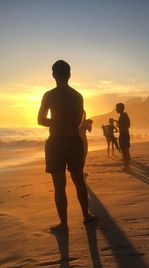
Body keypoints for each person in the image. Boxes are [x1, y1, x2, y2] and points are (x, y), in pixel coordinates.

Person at [37, 60, 95, 231]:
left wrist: (55, 123)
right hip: (73, 141)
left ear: (53, 75)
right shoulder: (77, 96)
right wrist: (65, 122)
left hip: (55, 142)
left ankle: (64, 224)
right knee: (79, 181)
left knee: (59, 186)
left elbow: (40, 120)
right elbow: (77, 121)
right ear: (69, 74)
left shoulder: (48, 95)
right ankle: (86, 215)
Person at [115, 102, 131, 171]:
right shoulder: (124, 115)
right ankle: (126, 166)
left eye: (117, 108)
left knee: (124, 150)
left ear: (120, 108)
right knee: (125, 150)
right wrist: (118, 123)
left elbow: (126, 125)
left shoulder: (123, 116)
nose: (116, 109)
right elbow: (127, 124)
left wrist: (119, 123)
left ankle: (126, 167)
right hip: (125, 134)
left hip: (124, 135)